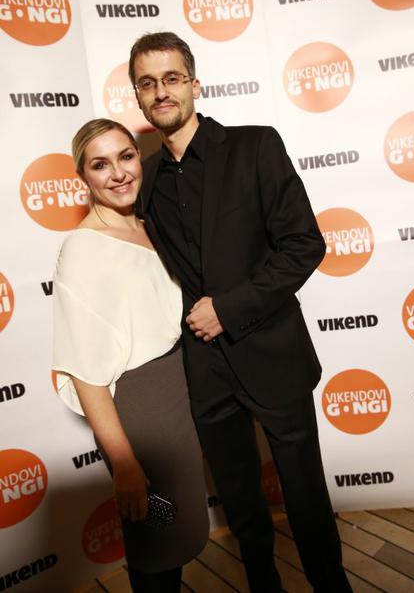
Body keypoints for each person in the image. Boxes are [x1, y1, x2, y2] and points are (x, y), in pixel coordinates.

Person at [128, 32, 353, 593]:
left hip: (272, 353)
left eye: (172, 78)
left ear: (194, 84)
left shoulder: (255, 146)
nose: (161, 91)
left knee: (305, 498)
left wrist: (227, 309)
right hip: (204, 369)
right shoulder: (145, 180)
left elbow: (304, 244)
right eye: (147, 83)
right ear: (137, 96)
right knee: (241, 505)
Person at [52, 118, 208, 593]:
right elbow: (86, 372)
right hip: (139, 413)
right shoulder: (82, 251)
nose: (118, 173)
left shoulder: (148, 226)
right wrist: (123, 462)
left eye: (125, 157)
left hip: (177, 396)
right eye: (100, 164)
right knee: (155, 545)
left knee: (178, 534)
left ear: (139, 158)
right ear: (83, 176)